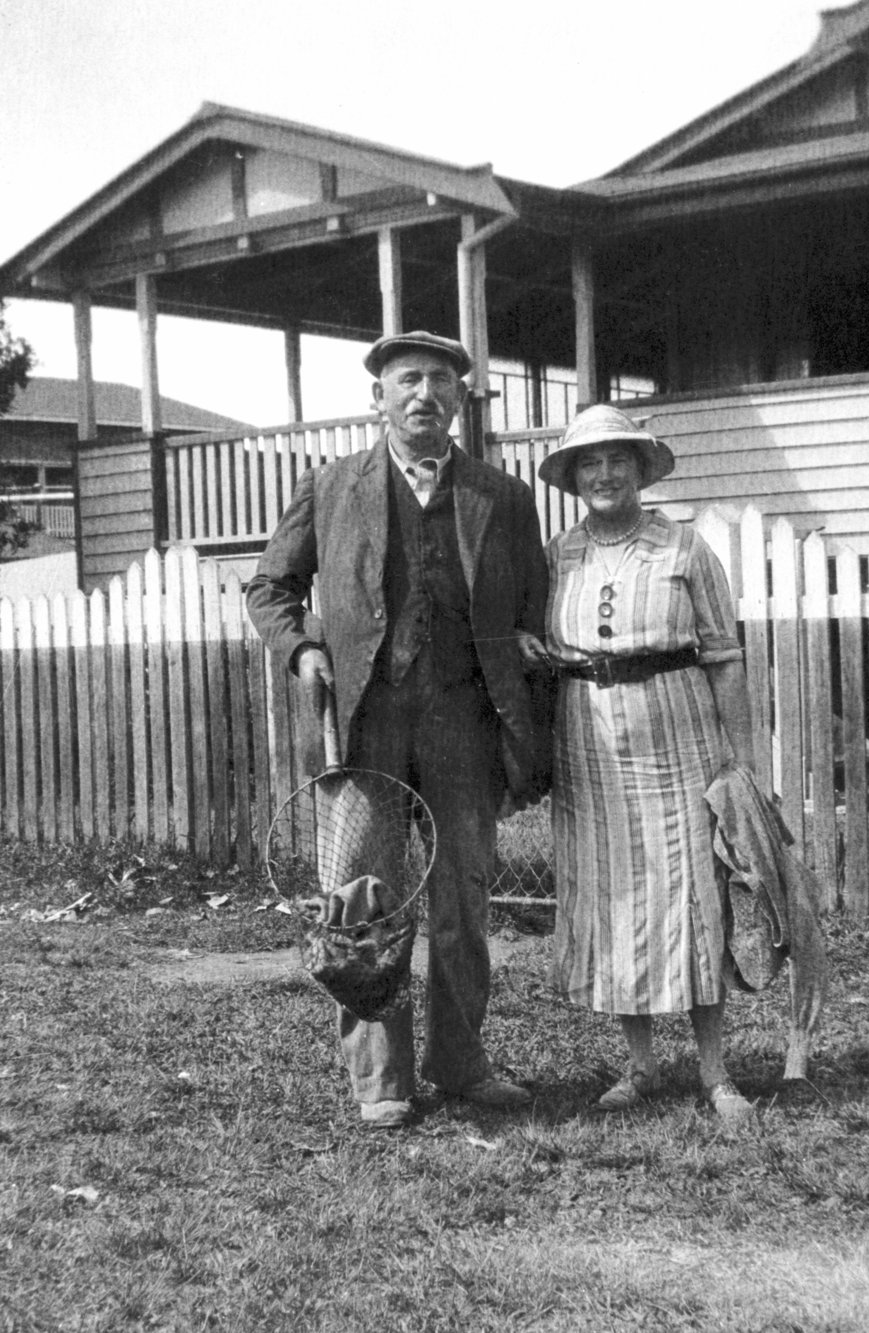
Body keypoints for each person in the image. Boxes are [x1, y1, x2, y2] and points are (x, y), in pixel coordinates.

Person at [246, 330, 549, 1129]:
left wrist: (524, 650)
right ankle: (381, 1078)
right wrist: (305, 646)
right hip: (366, 723)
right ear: (376, 397)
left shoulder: (503, 497)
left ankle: (461, 1062)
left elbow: (534, 607)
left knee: (462, 899)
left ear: (459, 400)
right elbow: (270, 587)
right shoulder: (331, 486)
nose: (424, 393)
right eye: (407, 379)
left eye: (440, 381)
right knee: (362, 899)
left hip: (465, 723)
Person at [524, 403, 757, 1120]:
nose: (604, 473)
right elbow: (534, 639)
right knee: (615, 896)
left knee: (694, 896)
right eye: (588, 462)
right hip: (588, 748)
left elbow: (723, 658)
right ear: (571, 476)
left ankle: (717, 1071)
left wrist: (736, 760)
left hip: (680, 740)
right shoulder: (559, 554)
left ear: (639, 469)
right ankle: (641, 1065)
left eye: (616, 459)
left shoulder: (685, 548)